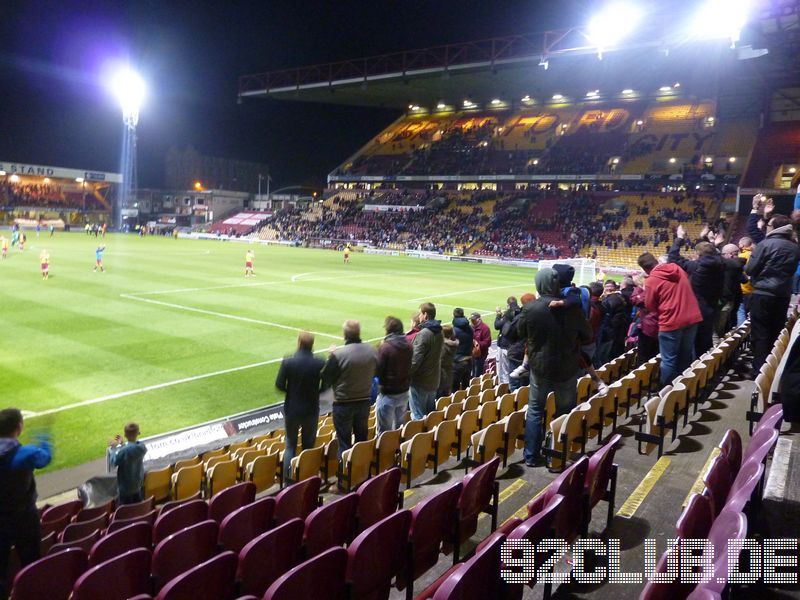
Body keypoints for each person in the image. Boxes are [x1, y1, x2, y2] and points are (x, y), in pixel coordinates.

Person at [518, 268, 591, 467]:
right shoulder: (573, 309)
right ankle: (556, 457)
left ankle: (531, 456)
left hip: (540, 368)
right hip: (566, 367)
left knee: (534, 410)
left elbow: (518, 332)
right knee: (564, 411)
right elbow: (587, 336)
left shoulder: (531, 308)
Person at [0, 408, 52, 598]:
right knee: (31, 562)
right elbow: (45, 458)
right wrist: (44, 439)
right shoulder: (27, 453)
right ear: (19, 427)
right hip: (24, 517)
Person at [745, 212, 800, 376]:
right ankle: (770, 371)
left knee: (760, 334)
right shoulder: (794, 246)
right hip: (783, 295)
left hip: (763, 293)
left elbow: (750, 269)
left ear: (775, 228)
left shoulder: (766, 244)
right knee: (775, 332)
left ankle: (759, 372)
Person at [637, 252, 703, 387]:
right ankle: (682, 387)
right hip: (692, 316)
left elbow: (650, 305)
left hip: (671, 321)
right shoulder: (676, 268)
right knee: (686, 354)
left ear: (644, 269)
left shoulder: (651, 280)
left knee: (668, 360)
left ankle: (667, 392)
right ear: (655, 260)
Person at [321, 320, 378, 459]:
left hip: (343, 404)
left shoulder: (339, 355)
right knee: (361, 442)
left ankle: (345, 477)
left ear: (344, 335)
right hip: (364, 401)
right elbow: (376, 372)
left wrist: (332, 356)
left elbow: (325, 376)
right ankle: (362, 474)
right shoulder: (372, 351)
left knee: (344, 445)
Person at [276, 331, 325, 480]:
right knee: (308, 446)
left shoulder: (288, 361)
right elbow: (327, 385)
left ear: (299, 342)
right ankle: (306, 478)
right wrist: (316, 393)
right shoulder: (320, 362)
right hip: (311, 409)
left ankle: (288, 481)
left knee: (290, 445)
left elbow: (279, 384)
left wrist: (291, 392)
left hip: (293, 409)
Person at [669, 225, 725, 357]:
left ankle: (695, 372)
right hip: (712, 307)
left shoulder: (697, 266)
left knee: (694, 344)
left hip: (697, 309)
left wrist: (679, 238)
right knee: (705, 342)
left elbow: (673, 258)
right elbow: (713, 255)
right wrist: (710, 242)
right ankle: (705, 370)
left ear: (698, 254)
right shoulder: (721, 263)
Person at [375, 316, 412, 434]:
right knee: (400, 428)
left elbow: (377, 370)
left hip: (388, 393)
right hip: (404, 391)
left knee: (384, 432)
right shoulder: (409, 345)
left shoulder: (385, 347)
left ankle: (386, 452)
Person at [409, 302, 444, 419]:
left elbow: (415, 360)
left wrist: (406, 375)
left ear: (425, 315)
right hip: (433, 380)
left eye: (420, 314)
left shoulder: (423, 334)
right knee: (430, 415)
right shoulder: (440, 331)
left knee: (417, 415)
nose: (419, 317)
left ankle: (421, 437)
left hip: (421, 382)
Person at [107, 423, 147, 504]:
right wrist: (123, 444)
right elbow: (131, 449)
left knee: (125, 512)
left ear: (125, 434)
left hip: (125, 490)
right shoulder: (142, 447)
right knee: (138, 509)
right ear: (138, 433)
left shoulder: (124, 451)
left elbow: (114, 462)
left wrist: (113, 449)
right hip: (137, 486)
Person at [717, 243, 747, 340]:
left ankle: (720, 351)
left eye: (722, 255)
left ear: (729, 254)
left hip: (724, 301)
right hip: (734, 300)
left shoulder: (726, 266)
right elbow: (744, 279)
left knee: (719, 330)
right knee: (729, 326)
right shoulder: (737, 267)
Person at [494, 297, 520, 385]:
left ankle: (505, 391)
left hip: (505, 345)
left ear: (508, 305)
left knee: (504, 371)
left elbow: (497, 325)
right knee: (513, 370)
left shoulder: (508, 315)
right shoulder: (521, 313)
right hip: (516, 346)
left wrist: (498, 314)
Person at [451, 308, 473, 391]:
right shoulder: (470, 328)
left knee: (454, 388)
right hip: (468, 359)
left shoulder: (454, 331)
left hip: (457, 361)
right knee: (466, 387)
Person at [737, 236, 754, 326]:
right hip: (754, 287)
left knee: (741, 311)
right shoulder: (755, 255)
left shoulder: (741, 256)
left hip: (743, 287)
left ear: (742, 245)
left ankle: (740, 332)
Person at [438, 324, 458, 398]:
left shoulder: (443, 346)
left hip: (441, 375)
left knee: (440, 398)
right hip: (449, 374)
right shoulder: (453, 345)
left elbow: (440, 361)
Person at [470, 312, 491, 377]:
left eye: (473, 319)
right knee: (472, 372)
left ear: (478, 319)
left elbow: (487, 342)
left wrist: (477, 344)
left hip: (481, 354)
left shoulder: (485, 328)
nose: (472, 321)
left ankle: (477, 386)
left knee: (477, 373)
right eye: (471, 319)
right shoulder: (470, 327)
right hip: (472, 354)